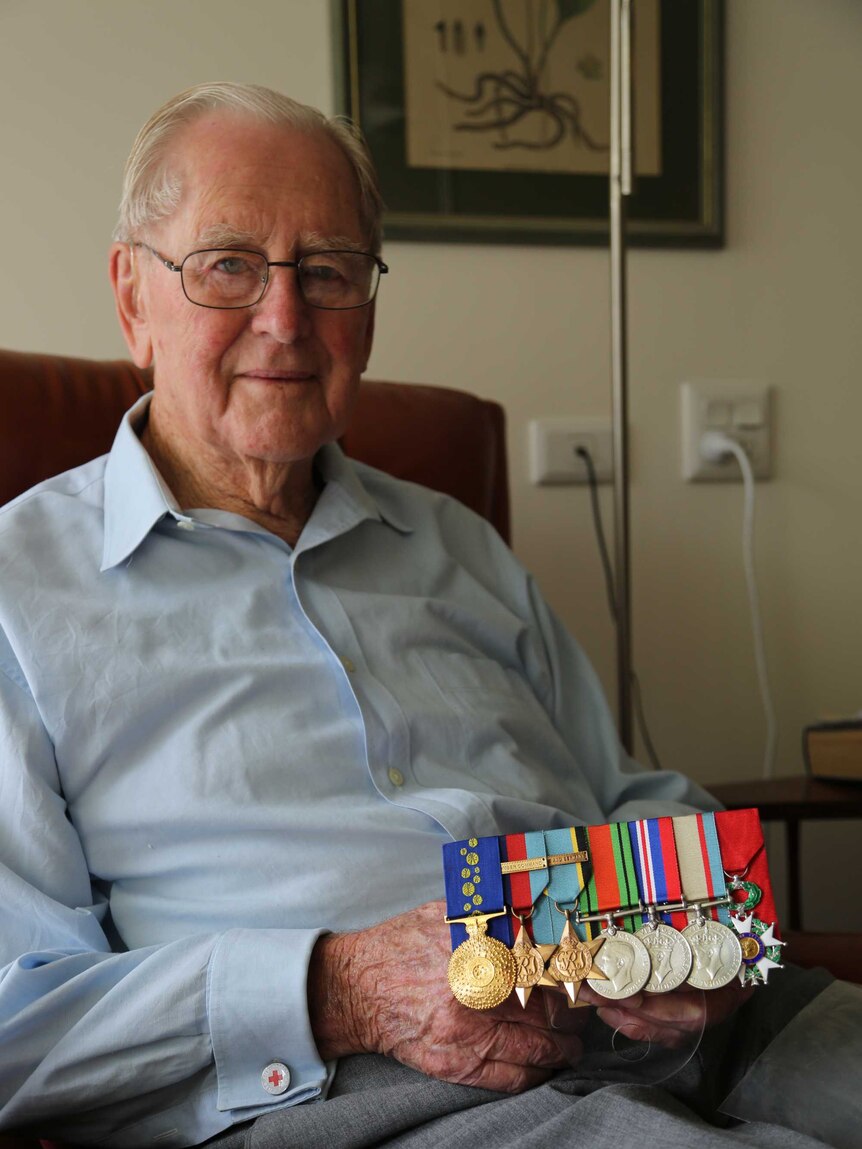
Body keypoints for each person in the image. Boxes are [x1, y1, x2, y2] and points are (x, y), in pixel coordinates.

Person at [0, 82, 858, 1149]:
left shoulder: (457, 546)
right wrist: (335, 988)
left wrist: (713, 930)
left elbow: (629, 794)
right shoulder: (17, 598)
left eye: (329, 271)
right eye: (228, 265)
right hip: (380, 1094)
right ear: (134, 296)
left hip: (708, 1030)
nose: (285, 318)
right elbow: (16, 1026)